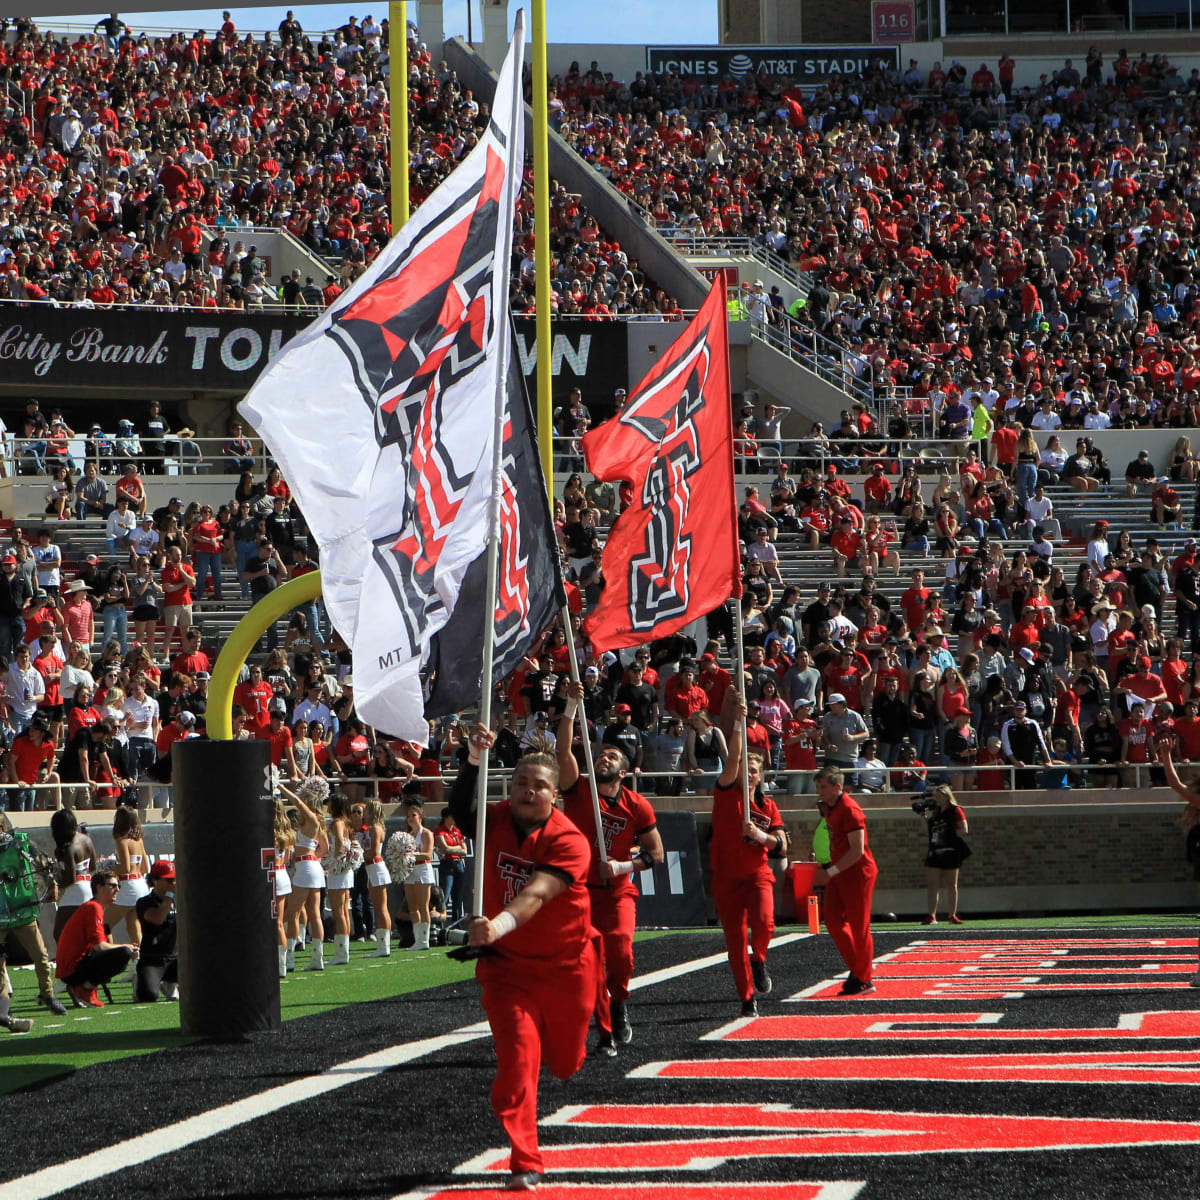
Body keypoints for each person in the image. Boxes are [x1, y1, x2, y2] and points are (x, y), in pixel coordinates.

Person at [449, 724, 600, 1192]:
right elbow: (460, 810)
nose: (527, 792)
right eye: (519, 783)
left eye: (538, 786)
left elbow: (537, 894)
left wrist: (497, 923)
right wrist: (474, 758)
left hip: (566, 967)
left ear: (555, 795)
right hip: (508, 968)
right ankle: (525, 1160)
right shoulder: (495, 818)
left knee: (565, 1064)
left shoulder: (570, 839)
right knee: (517, 1068)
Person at [558, 681, 663, 1055]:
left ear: (624, 769)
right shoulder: (578, 789)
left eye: (613, 756)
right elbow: (561, 752)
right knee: (587, 963)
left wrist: (621, 866)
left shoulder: (637, 805)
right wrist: (571, 706)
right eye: (602, 754)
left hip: (617, 892)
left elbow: (656, 854)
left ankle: (619, 1003)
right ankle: (603, 1033)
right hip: (580, 891)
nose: (605, 758)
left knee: (621, 951)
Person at [711, 700, 787, 1017]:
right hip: (726, 877)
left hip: (757, 874)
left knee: (766, 922)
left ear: (761, 775)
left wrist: (759, 836)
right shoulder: (728, 790)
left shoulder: (768, 807)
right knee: (734, 940)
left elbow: (781, 845)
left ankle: (760, 959)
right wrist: (739, 727)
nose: (749, 774)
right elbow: (731, 765)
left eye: (754, 770)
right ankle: (746, 998)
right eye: (746, 769)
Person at [813, 764, 878, 995]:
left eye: (823, 786)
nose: (819, 791)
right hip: (841, 871)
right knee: (831, 919)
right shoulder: (829, 806)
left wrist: (829, 872)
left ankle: (864, 977)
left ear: (837, 787)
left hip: (857, 872)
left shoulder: (850, 809)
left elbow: (857, 851)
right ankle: (859, 968)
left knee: (859, 926)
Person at [54, 869, 138, 1008]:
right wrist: (127, 947)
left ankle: (84, 987)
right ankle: (83, 988)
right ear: (99, 887)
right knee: (123, 954)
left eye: (118, 886)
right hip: (73, 969)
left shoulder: (94, 907)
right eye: (112, 885)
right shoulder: (93, 908)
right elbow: (100, 946)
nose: (117, 889)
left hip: (73, 967)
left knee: (120, 954)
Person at [280, 778, 330, 971]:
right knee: (314, 914)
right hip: (312, 866)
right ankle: (318, 959)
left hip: (306, 867)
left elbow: (298, 803)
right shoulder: (319, 824)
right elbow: (324, 848)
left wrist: (281, 787)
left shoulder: (312, 820)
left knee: (292, 913)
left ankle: (290, 958)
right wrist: (313, 859)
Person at [917, 784, 969, 925]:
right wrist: (922, 816)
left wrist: (948, 835)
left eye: (940, 795)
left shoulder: (955, 810)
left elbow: (964, 829)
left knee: (952, 884)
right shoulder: (936, 811)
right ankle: (932, 915)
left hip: (950, 850)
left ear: (947, 796)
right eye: (936, 795)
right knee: (933, 884)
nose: (937, 798)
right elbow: (929, 830)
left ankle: (952, 915)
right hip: (935, 850)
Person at [134, 860, 178, 1002]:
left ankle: (171, 983)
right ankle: (140, 980)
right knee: (149, 995)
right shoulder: (144, 902)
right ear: (155, 880)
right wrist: (170, 896)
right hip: (153, 959)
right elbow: (158, 918)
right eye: (169, 880)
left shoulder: (179, 900)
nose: (173, 883)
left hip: (175, 958)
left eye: (174, 879)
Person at [403, 798, 436, 951]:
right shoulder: (407, 835)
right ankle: (417, 940)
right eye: (408, 815)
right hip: (410, 870)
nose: (410, 818)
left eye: (413, 815)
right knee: (412, 907)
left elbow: (428, 854)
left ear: (421, 817)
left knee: (423, 906)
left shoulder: (427, 834)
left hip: (423, 869)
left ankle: (424, 940)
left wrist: (411, 854)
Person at [363, 798, 393, 957]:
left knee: (381, 908)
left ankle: (383, 947)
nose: (364, 813)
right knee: (379, 907)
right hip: (373, 868)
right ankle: (383, 946)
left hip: (376, 866)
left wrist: (357, 853)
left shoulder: (375, 828)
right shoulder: (375, 827)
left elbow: (374, 852)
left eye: (367, 810)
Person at [435, 805, 468, 923]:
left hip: (459, 865)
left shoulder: (457, 831)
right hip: (447, 865)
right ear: (446, 817)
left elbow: (465, 851)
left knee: (458, 898)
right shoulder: (440, 831)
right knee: (445, 895)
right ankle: (441, 926)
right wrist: (457, 848)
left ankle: (456, 924)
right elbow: (444, 849)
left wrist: (453, 848)